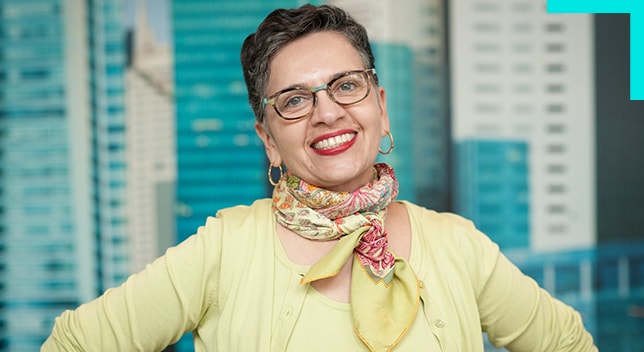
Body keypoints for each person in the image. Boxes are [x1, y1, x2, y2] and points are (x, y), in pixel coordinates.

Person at [42, 4, 597, 351]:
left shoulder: (459, 245)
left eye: (346, 86)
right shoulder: (224, 248)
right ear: (267, 138)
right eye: (295, 100)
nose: (327, 112)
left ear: (380, 106)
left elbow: (568, 343)